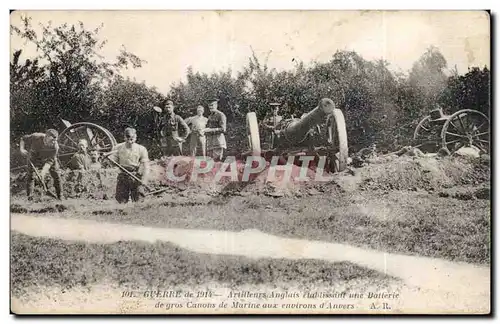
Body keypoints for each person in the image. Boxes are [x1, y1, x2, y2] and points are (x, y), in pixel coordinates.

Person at [108, 128, 149, 203]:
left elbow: (145, 165)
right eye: (128, 137)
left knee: (139, 199)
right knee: (121, 199)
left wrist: (144, 179)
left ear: (136, 137)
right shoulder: (118, 148)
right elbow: (112, 162)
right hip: (123, 175)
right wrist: (109, 159)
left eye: (132, 138)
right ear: (124, 137)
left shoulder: (141, 149)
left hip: (136, 175)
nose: (130, 140)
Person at [19, 128, 63, 200]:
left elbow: (50, 161)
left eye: (55, 141)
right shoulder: (36, 137)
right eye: (51, 140)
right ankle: (29, 198)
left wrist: (43, 172)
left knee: (56, 175)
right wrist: (22, 149)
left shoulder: (55, 147)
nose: (53, 143)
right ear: (46, 137)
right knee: (31, 176)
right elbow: (23, 139)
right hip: (34, 157)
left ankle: (60, 197)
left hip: (48, 159)